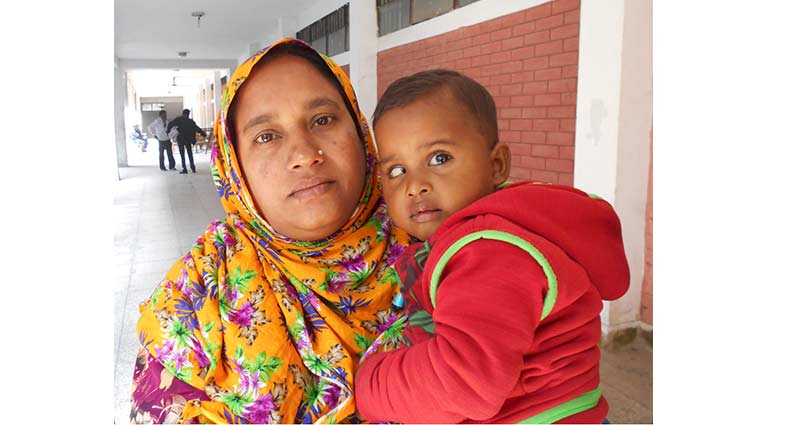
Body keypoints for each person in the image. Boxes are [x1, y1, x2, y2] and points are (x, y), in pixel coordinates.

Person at [130, 38, 411, 424]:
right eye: (266, 136)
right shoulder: (198, 292)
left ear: (360, 133)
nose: (305, 155)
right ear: (235, 167)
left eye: (323, 120)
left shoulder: (446, 252)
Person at [354, 69, 631, 424]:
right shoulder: (512, 228)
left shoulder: (487, 251)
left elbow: (463, 383)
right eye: (396, 171)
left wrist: (370, 384)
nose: (415, 185)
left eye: (439, 158)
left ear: (496, 164)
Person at [167, 109, 207, 174]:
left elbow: (170, 124)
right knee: (189, 153)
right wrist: (203, 133)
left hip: (180, 139)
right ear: (188, 114)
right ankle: (193, 167)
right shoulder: (190, 121)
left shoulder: (178, 120)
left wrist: (168, 131)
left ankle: (184, 169)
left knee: (182, 154)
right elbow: (196, 128)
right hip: (188, 139)